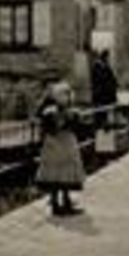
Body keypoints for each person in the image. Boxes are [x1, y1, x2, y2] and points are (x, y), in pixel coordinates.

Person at [35, 81, 86, 216]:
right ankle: (59, 203)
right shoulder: (52, 113)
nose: (68, 99)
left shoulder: (58, 112)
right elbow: (50, 128)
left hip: (60, 144)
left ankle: (62, 201)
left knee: (59, 173)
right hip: (60, 144)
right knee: (60, 173)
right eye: (66, 95)